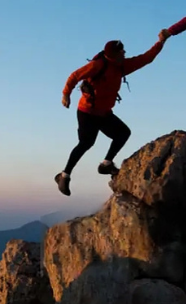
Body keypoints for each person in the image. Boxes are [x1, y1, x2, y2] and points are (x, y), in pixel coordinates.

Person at [56, 30, 169, 196]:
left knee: (123, 133)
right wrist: (66, 94)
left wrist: (161, 42)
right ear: (112, 55)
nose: (124, 53)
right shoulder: (98, 65)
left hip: (103, 113)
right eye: (121, 51)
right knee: (86, 143)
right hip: (87, 112)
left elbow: (146, 58)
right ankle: (64, 176)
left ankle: (106, 164)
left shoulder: (121, 66)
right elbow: (75, 76)